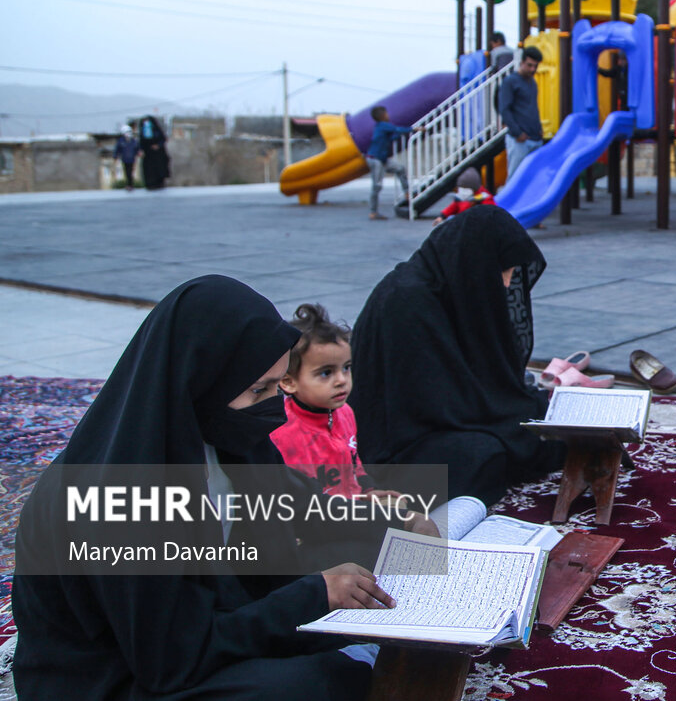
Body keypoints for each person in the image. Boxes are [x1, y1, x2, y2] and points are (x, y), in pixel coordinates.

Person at [12, 275, 434, 701]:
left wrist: (391, 523)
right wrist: (312, 597)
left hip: (196, 621)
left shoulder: (224, 434)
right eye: (258, 391)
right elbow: (169, 659)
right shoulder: (127, 491)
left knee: (360, 567)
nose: (274, 407)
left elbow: (300, 509)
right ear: (202, 380)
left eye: (277, 386)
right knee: (305, 685)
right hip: (114, 673)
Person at [349, 206, 564, 506]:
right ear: (476, 261)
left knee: (543, 418)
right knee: (482, 456)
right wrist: (503, 415)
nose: (507, 282)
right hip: (401, 444)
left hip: (449, 415)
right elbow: (427, 404)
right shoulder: (406, 302)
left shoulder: (451, 287)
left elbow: (481, 372)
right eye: (503, 269)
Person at [272, 303, 370, 497]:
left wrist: (370, 489)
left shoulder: (345, 412)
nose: (341, 380)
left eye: (346, 367)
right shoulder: (284, 434)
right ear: (289, 382)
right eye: (326, 373)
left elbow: (354, 462)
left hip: (355, 508)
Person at [497, 46, 543, 179]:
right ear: (521, 62)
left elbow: (533, 107)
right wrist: (517, 133)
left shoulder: (532, 83)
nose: (532, 69)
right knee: (515, 178)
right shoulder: (510, 81)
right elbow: (504, 109)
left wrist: (539, 128)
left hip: (534, 137)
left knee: (533, 178)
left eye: (535, 66)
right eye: (529, 65)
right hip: (519, 140)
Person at [366, 105, 411, 221]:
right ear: (382, 116)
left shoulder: (382, 128)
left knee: (400, 168)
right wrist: (414, 129)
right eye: (386, 114)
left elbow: (393, 136)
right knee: (377, 186)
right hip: (375, 159)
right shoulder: (382, 126)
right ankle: (373, 212)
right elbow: (397, 130)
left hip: (382, 159)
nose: (388, 115)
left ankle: (407, 192)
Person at [137, 114, 169, 190]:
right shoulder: (143, 131)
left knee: (159, 168)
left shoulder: (157, 130)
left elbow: (163, 139)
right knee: (149, 170)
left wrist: (158, 145)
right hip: (148, 154)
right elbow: (141, 142)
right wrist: (141, 150)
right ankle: (150, 184)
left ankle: (159, 183)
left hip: (158, 153)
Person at [112, 123, 140, 191]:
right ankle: (129, 184)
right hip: (125, 159)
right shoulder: (121, 141)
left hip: (132, 158)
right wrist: (115, 156)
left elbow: (137, 148)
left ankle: (131, 184)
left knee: (131, 171)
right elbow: (117, 149)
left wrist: (139, 152)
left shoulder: (133, 141)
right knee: (127, 172)